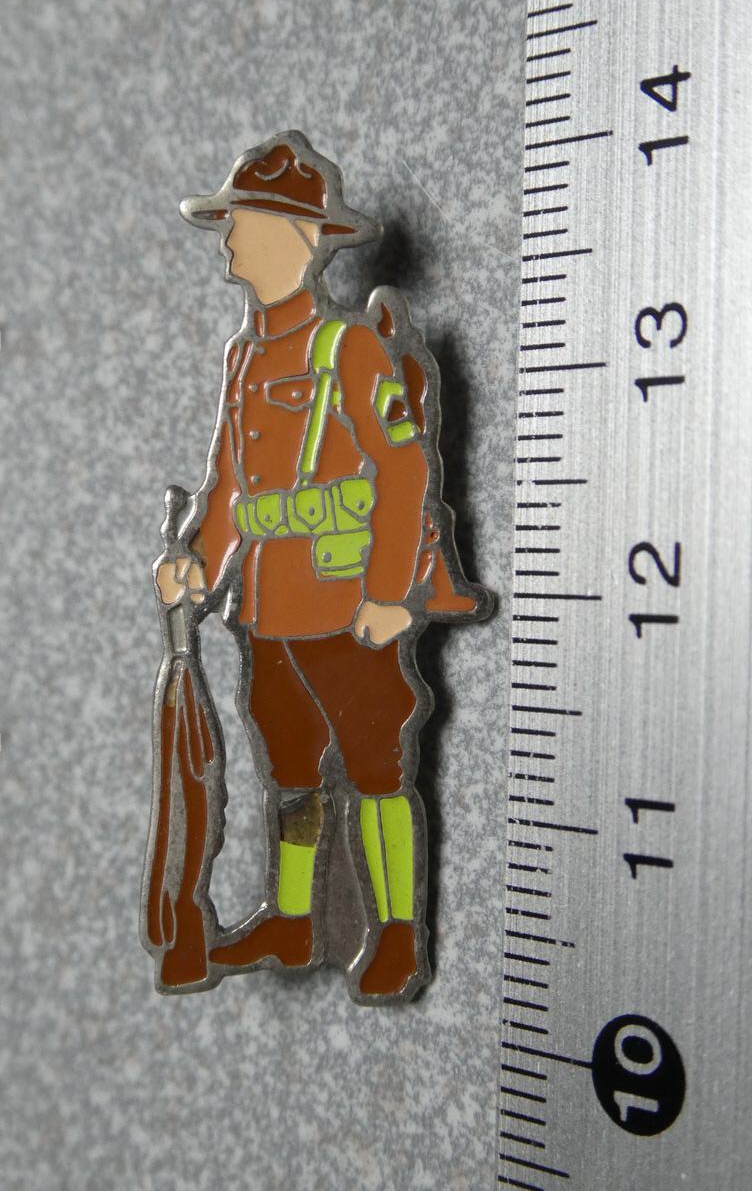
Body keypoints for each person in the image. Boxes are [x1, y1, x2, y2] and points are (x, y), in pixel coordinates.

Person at [155, 132, 491, 1000]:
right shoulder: (243, 357)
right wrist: (200, 569)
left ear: (300, 238)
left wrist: (388, 593)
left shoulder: (346, 349)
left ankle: (396, 932)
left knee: (376, 768)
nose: (229, 241)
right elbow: (230, 487)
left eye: (243, 224)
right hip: (267, 610)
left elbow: (405, 471)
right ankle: (297, 916)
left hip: (347, 606)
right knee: (292, 766)